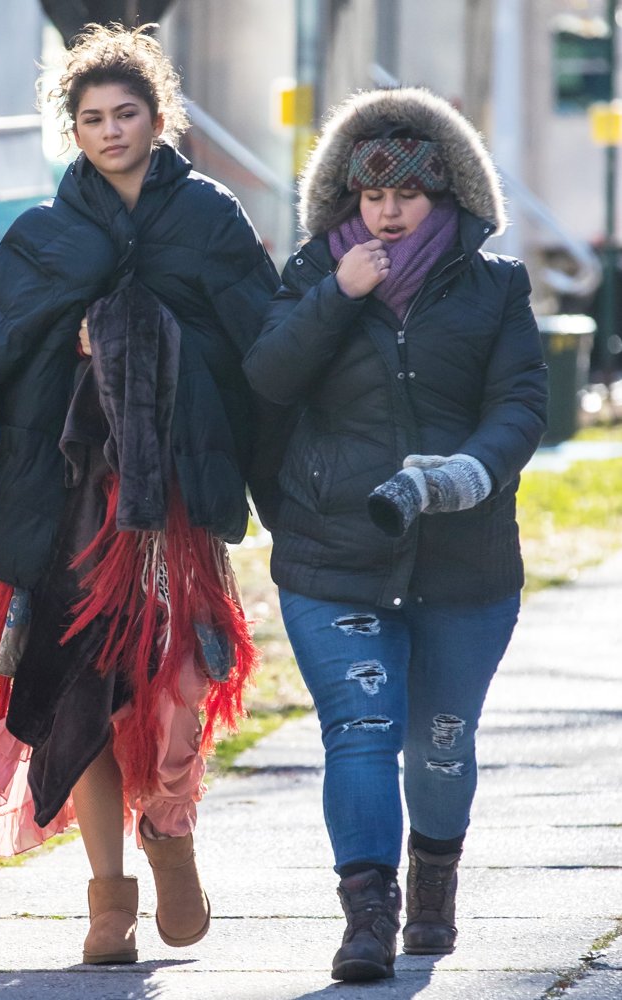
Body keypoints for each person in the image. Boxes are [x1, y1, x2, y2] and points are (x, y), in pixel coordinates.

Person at [0, 23, 280, 966]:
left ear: (159, 118)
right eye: (90, 118)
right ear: (70, 130)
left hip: (177, 505)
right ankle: (107, 897)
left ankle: (171, 832)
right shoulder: (42, 236)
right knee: (83, 697)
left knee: (181, 687)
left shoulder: (209, 219)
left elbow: (264, 356)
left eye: (125, 114)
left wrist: (147, 346)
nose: (109, 131)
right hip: (60, 501)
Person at [243, 86, 548, 983]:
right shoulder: (309, 278)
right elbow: (266, 378)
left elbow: (522, 403)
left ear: (446, 196)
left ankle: (435, 876)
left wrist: (466, 475)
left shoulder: (493, 287)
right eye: (371, 194)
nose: (386, 209)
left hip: (466, 560)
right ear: (346, 197)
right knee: (362, 730)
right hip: (335, 554)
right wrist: (338, 297)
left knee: (441, 742)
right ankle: (367, 916)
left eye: (406, 194)